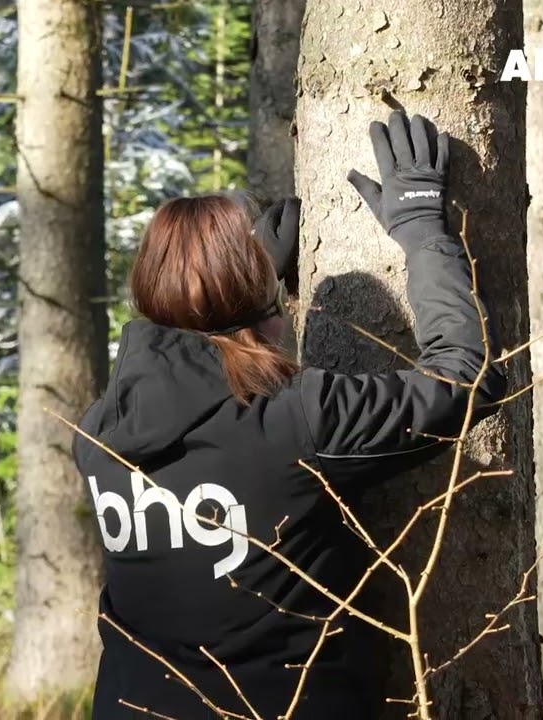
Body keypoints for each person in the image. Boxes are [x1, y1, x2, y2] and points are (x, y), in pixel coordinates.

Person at [73, 110, 507, 718]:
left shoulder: (99, 435)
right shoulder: (292, 420)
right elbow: (467, 377)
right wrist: (420, 230)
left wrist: (246, 295)